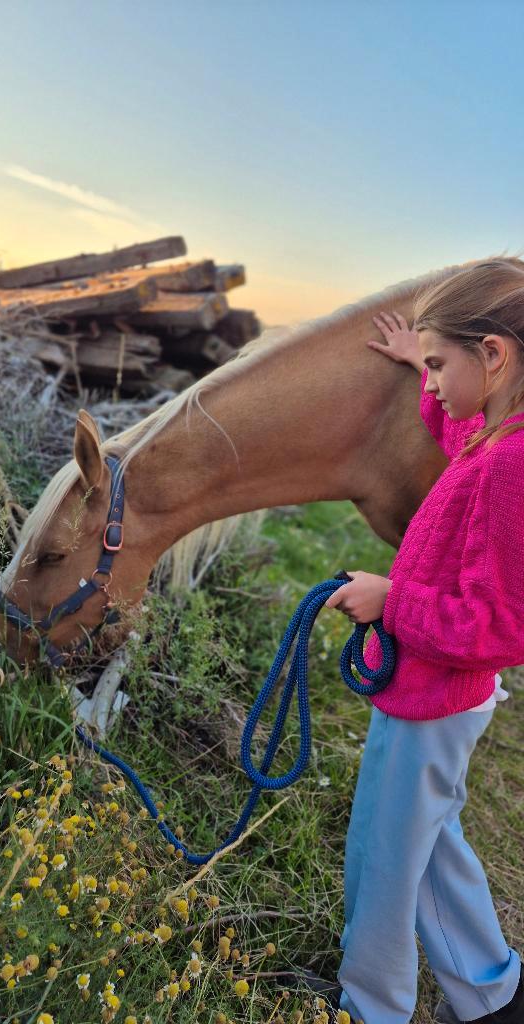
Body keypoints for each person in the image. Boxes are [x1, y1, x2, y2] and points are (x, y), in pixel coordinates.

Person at [324, 257, 524, 1024]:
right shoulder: (494, 440)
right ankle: (491, 991)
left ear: (495, 355)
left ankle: (370, 1008)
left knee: (382, 861)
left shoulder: (508, 465)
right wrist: (420, 362)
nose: (432, 383)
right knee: (433, 848)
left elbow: (500, 625)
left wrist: (390, 600)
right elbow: (460, 427)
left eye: (441, 363)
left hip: (432, 704)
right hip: (436, 699)